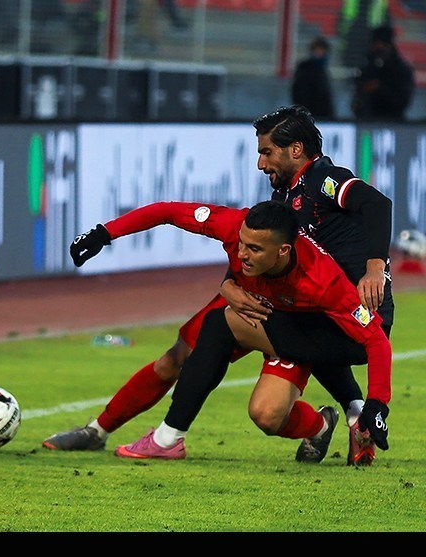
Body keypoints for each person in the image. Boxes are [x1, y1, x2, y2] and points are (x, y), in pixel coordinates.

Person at [44, 105, 395, 466]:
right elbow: (237, 243)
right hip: (280, 299)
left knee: (262, 388)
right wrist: (228, 284)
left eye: (266, 152)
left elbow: (377, 204)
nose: (260, 164)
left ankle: (352, 415)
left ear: (296, 149)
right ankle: (98, 431)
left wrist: (374, 266)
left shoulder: (323, 180)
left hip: (330, 308)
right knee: (177, 357)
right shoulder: (278, 201)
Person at [71, 200, 392, 461]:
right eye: (241, 243)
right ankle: (320, 426)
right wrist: (105, 233)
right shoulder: (231, 224)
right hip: (257, 311)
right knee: (181, 353)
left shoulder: (323, 281)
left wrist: (377, 404)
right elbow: (167, 212)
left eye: (254, 249)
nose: (241, 254)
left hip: (297, 330)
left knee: (265, 414)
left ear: (283, 251)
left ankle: (166, 439)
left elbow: (376, 340)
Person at [351, 24, 415, 122]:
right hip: (366, 120)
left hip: (392, 121)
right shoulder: (367, 66)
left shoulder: (400, 69)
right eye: (375, 45)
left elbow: (402, 100)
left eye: (380, 45)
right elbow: (358, 94)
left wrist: (379, 89)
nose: (377, 48)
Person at [291, 36, 336, 120]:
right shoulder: (305, 70)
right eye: (318, 50)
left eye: (323, 51)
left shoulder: (322, 70)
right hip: (311, 116)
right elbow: (300, 95)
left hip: (322, 116)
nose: (321, 53)